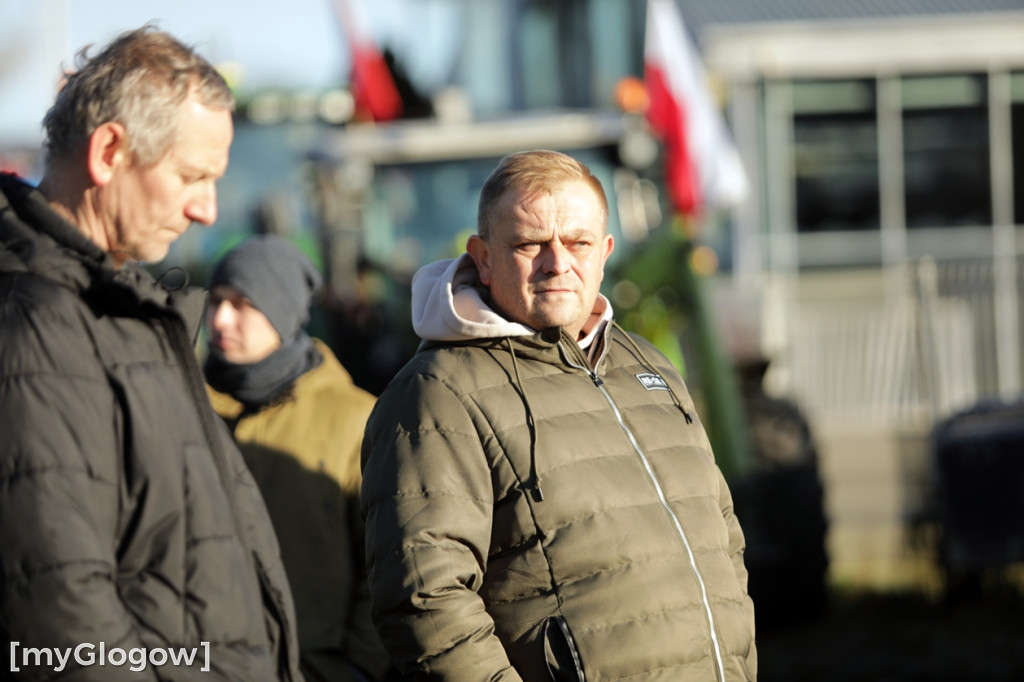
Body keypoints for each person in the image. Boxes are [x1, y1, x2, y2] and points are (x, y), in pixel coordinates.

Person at [361, 150, 757, 680]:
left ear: (605, 252)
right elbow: (425, 599)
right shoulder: (438, 393)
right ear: (482, 257)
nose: (557, 263)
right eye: (530, 244)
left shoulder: (648, 365)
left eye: (578, 242)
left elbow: (723, 538)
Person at [0, 26, 302, 680]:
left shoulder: (125, 311)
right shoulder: (34, 328)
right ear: (110, 151)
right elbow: (60, 612)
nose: (207, 209)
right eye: (192, 176)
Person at [203, 235, 393, 682]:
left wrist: (357, 669)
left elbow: (385, 567)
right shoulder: (180, 405)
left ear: (283, 310)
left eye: (243, 303)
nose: (221, 319)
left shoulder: (356, 419)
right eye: (215, 301)